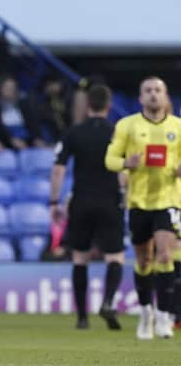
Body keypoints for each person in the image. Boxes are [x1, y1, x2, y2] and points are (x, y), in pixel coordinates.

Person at [105, 76, 181, 339]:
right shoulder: (127, 126)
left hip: (169, 200)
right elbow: (110, 159)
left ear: (165, 95)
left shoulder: (178, 127)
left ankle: (164, 317)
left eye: (158, 90)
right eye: (147, 90)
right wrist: (128, 163)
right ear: (140, 98)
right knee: (144, 260)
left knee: (164, 255)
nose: (153, 94)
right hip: (138, 202)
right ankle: (146, 313)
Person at [50, 84, 125, 330]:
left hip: (81, 200)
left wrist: (54, 201)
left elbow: (59, 168)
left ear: (87, 105)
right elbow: (124, 170)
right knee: (115, 256)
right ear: (109, 105)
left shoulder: (74, 133)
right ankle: (107, 302)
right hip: (110, 199)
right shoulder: (117, 133)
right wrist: (126, 194)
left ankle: (82, 317)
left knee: (80, 258)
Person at [0, 76, 43, 148]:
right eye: (7, 87)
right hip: (6, 143)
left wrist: (37, 139)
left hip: (27, 141)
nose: (10, 90)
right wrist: (10, 139)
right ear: (1, 88)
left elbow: (32, 124)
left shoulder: (23, 104)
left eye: (13, 88)